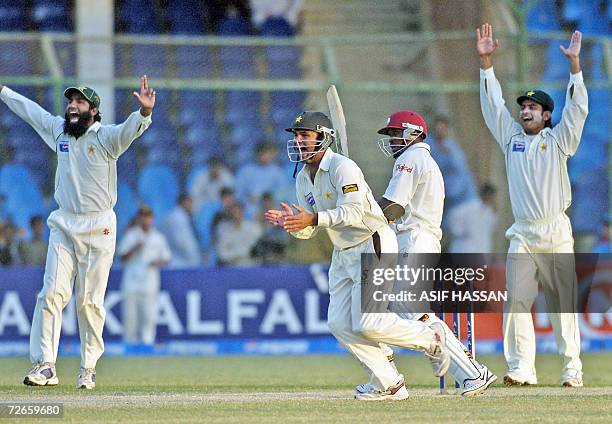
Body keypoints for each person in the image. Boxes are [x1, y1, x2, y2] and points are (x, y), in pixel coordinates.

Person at [265, 111, 451, 400]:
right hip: (343, 253)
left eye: (305, 135)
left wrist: (313, 219)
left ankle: (430, 338)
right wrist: (293, 224)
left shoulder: (343, 168)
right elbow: (310, 228)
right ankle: (390, 383)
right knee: (340, 324)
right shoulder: (303, 178)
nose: (299, 141)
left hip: (372, 242)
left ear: (323, 138)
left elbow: (353, 212)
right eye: (296, 136)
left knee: (368, 323)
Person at [0, 76, 155, 388]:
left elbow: (129, 130)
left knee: (90, 301)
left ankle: (88, 366)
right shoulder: (60, 131)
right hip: (64, 224)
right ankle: (45, 365)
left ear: (93, 111)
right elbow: (30, 111)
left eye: (80, 102)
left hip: (100, 227)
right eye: (70, 101)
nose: (72, 105)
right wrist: (3, 91)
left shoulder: (107, 138)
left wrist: (144, 113)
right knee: (51, 294)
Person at [477, 23, 587, 387]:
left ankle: (572, 370)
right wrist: (486, 62)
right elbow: (493, 106)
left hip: (555, 231)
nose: (525, 112)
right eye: (523, 106)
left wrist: (574, 67)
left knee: (563, 305)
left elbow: (577, 112)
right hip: (522, 232)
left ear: (546, 116)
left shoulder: (558, 141)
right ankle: (522, 367)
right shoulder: (511, 139)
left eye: (534, 108)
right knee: (517, 301)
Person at [363, 109, 497, 397]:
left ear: (412, 133)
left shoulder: (411, 158)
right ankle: (386, 379)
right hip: (414, 240)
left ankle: (470, 372)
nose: (392, 140)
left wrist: (361, 215)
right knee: (387, 309)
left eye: (396, 134)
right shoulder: (421, 159)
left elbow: (394, 207)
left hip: (414, 240)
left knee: (406, 309)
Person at [118, 206, 171, 345]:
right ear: (139, 218)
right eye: (143, 216)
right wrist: (135, 247)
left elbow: (166, 258)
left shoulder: (158, 237)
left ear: (152, 218)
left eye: (148, 216)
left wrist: (156, 262)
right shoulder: (131, 235)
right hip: (131, 284)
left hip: (149, 284)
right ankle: (129, 350)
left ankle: (148, 350)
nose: (146, 219)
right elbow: (122, 257)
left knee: (149, 320)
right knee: (130, 321)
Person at [448, 183, 498, 254]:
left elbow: (491, 231)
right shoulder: (471, 206)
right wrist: (460, 232)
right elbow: (452, 216)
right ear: (487, 195)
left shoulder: (490, 213)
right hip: (464, 249)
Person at [160, 193, 201, 269]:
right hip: (180, 264)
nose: (192, 205)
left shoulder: (178, 216)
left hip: (179, 262)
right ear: (184, 202)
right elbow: (182, 242)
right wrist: (195, 261)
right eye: (190, 202)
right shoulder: (178, 218)